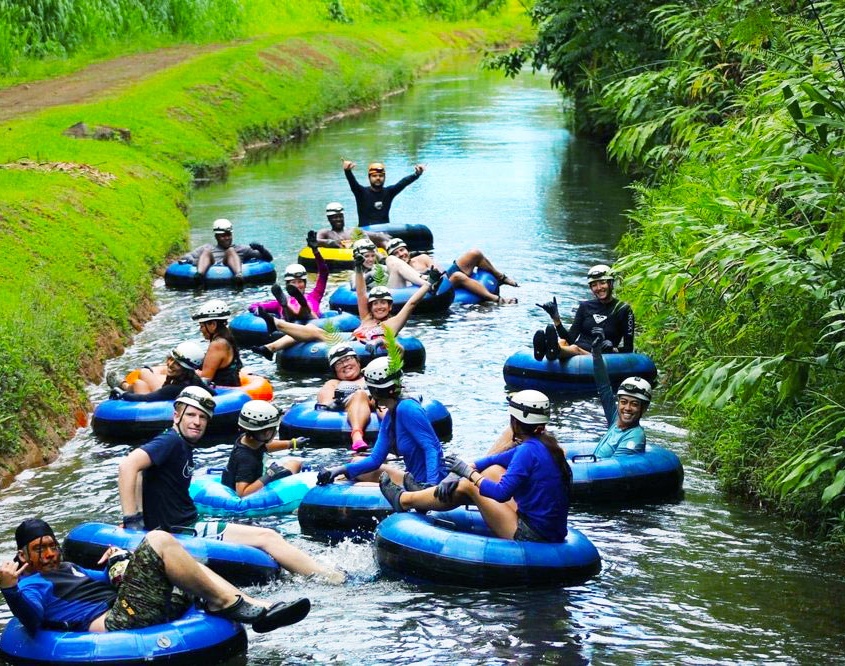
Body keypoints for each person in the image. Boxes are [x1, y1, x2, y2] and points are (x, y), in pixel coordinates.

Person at [117, 387, 343, 583]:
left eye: (203, 417)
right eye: (192, 415)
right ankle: (330, 578)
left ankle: (318, 571)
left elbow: (140, 473)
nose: (197, 422)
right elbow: (128, 466)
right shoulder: (170, 442)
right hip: (186, 529)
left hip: (184, 524)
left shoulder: (178, 443)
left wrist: (141, 514)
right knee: (267, 537)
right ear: (176, 415)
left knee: (262, 537)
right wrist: (132, 522)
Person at [0, 518, 310, 635]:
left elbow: (107, 580)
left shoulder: (68, 568)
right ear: (23, 555)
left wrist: (115, 562)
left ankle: (257, 606)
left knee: (185, 564)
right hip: (119, 620)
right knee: (159, 539)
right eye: (40, 549)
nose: (51, 554)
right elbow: (31, 619)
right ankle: (223, 603)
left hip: (133, 605)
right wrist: (10, 589)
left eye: (52, 546)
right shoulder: (30, 583)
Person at [379, 390, 572, 543]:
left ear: (516, 421)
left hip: (533, 534)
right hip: (549, 529)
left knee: (469, 486)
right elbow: (493, 460)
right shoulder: (546, 444)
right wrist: (463, 469)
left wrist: (470, 475)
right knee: (494, 470)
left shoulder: (526, 451)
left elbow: (501, 494)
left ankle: (405, 499)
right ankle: (426, 493)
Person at [250, 251, 436, 359]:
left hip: (359, 348)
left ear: (389, 306)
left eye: (383, 304)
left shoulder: (392, 324)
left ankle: (274, 325)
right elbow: (362, 294)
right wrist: (358, 268)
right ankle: (271, 345)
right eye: (376, 303)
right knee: (314, 330)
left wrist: (427, 285)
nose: (379, 307)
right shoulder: (366, 318)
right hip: (349, 341)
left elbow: (411, 304)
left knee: (315, 331)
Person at [316, 357, 447, 489]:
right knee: (357, 463)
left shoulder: (408, 408)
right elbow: (375, 459)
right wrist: (336, 470)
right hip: (414, 480)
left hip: (431, 483)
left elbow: (432, 448)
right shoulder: (390, 417)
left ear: (376, 391)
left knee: (362, 485)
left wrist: (431, 487)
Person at [532, 264, 635, 360]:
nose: (599, 288)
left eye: (602, 283)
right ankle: (545, 350)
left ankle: (553, 351)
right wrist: (556, 319)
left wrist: (613, 349)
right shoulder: (585, 306)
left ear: (611, 283)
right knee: (563, 341)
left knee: (575, 349)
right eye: (594, 285)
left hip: (599, 356)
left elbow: (628, 348)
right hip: (576, 353)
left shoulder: (623, 309)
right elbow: (570, 339)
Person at [385, 238, 518, 303]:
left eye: (402, 250)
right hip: (430, 290)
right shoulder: (399, 271)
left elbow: (441, 271)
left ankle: (500, 277)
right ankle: (497, 299)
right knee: (458, 276)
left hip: (443, 280)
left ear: (406, 249)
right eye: (396, 253)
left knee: (475, 253)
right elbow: (405, 290)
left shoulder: (422, 258)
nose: (401, 254)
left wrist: (439, 274)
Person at [221, 401, 309, 498]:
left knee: (291, 463)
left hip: (250, 477)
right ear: (267, 433)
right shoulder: (246, 459)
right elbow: (242, 493)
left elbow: (266, 446)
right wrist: (269, 475)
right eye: (274, 429)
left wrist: (291, 443)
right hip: (247, 490)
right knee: (295, 464)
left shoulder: (247, 439)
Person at [249, 233, 329, 325]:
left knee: (306, 309)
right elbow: (253, 306)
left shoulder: (315, 295)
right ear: (287, 285)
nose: (297, 285)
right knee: (287, 308)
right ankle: (286, 306)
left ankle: (301, 304)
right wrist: (258, 312)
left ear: (305, 283)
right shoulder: (278, 302)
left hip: (311, 319)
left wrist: (315, 251)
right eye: (293, 283)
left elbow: (324, 273)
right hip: (290, 320)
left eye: (300, 282)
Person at [178, 218, 273, 289]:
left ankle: (238, 276)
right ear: (216, 237)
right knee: (206, 251)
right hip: (210, 268)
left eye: (228, 235)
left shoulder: (241, 249)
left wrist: (260, 248)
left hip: (233, 270)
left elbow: (268, 258)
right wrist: (193, 261)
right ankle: (199, 276)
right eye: (222, 236)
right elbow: (186, 256)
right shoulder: (207, 248)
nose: (226, 238)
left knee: (230, 250)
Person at [315, 343, 372, 452]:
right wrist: (339, 401)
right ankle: (356, 436)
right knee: (360, 394)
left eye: (348, 359)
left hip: (377, 404)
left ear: (358, 361)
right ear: (335, 371)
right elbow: (326, 404)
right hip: (351, 406)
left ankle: (396, 425)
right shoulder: (333, 384)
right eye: (339, 363)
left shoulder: (372, 375)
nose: (345, 364)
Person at [105, 341, 210, 399]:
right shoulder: (194, 378)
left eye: (177, 364)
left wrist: (123, 394)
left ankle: (123, 386)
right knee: (143, 374)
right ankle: (124, 385)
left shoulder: (173, 389)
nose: (170, 364)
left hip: (156, 404)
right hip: (164, 396)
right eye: (170, 359)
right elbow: (212, 392)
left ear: (186, 369)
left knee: (138, 384)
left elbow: (145, 398)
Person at [342, 160, 425, 227]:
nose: (378, 178)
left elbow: (403, 183)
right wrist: (347, 171)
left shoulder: (389, 192)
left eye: (381, 176)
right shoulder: (360, 192)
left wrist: (416, 174)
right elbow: (352, 182)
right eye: (374, 176)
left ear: (384, 178)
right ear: (369, 178)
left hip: (385, 231)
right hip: (366, 233)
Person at [192, 299, 243, 386]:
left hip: (223, 391)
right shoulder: (227, 338)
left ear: (213, 324)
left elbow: (205, 379)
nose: (200, 330)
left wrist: (187, 372)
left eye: (202, 326)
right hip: (232, 385)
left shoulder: (217, 344)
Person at [315, 202, 390, 248]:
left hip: (361, 257)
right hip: (340, 260)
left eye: (340, 216)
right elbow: (315, 241)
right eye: (335, 217)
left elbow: (375, 235)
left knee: (381, 241)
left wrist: (384, 237)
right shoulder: (326, 233)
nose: (338, 219)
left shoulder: (352, 230)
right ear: (329, 219)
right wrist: (330, 242)